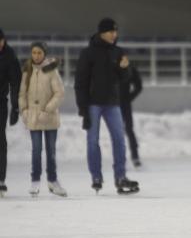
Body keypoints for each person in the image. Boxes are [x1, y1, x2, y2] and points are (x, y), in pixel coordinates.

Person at [74, 18, 139, 195]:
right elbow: (80, 82)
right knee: (92, 140)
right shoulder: (88, 53)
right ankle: (96, 176)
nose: (114, 35)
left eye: (115, 31)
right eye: (111, 31)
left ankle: (120, 176)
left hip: (112, 103)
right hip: (92, 104)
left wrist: (125, 69)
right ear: (102, 32)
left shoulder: (118, 51)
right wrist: (83, 107)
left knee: (119, 139)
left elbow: (124, 78)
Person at [18, 42, 67, 197]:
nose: (36, 55)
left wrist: (47, 110)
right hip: (33, 117)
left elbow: (59, 93)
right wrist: (24, 110)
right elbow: (22, 94)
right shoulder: (27, 71)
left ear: (44, 54)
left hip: (49, 117)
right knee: (36, 150)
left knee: (51, 150)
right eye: (34, 52)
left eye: (39, 52)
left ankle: (53, 180)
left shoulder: (51, 70)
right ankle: (35, 180)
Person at [0, 28, 21, 196]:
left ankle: (1, 179)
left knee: (0, 139)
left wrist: (15, 107)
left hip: (0, 102)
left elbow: (15, 82)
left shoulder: (9, 55)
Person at [120, 65, 143, 167]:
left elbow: (138, 86)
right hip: (114, 104)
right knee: (118, 132)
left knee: (128, 129)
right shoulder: (109, 65)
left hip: (123, 103)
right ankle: (121, 158)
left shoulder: (128, 67)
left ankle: (134, 156)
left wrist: (128, 98)